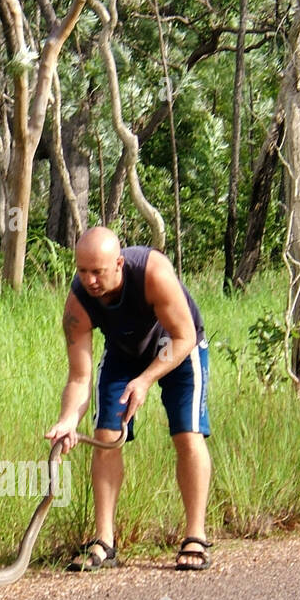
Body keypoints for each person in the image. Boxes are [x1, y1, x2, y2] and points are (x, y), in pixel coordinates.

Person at [45, 226, 213, 571]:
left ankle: (195, 535)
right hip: (124, 352)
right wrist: (67, 421)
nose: (89, 280)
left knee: (187, 433)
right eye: (82, 271)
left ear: (119, 263)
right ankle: (105, 541)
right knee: (106, 437)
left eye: (98, 271)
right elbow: (79, 376)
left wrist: (147, 380)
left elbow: (183, 337)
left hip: (178, 347)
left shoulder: (153, 272)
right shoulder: (77, 303)